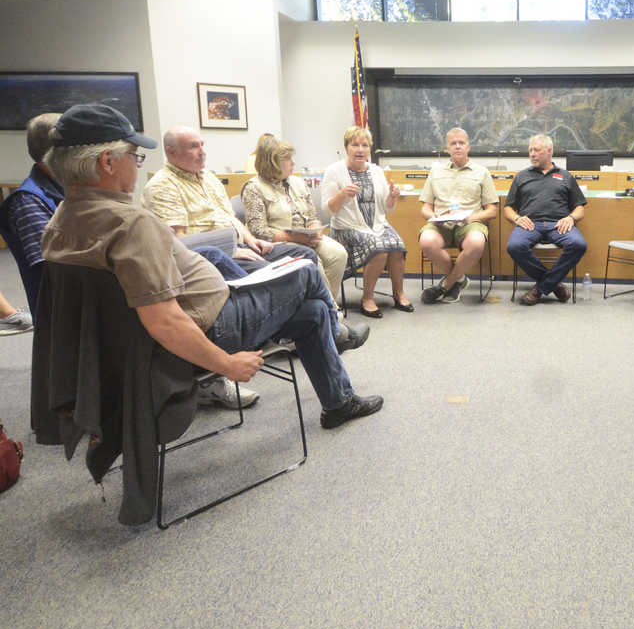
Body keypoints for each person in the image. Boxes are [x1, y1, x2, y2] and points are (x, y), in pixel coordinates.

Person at [41, 103, 382, 429]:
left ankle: (339, 402)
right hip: (213, 328)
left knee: (312, 313)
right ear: (107, 163)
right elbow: (165, 321)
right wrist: (227, 364)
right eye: (135, 155)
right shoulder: (129, 225)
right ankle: (339, 340)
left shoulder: (60, 222)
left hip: (139, 344)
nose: (138, 164)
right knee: (306, 270)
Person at [143, 125, 318, 272]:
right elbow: (179, 242)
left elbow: (230, 218)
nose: (202, 152)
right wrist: (230, 250)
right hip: (210, 258)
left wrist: (252, 240)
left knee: (306, 257)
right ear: (171, 152)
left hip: (240, 246)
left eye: (202, 145)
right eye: (193, 147)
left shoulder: (209, 178)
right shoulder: (162, 186)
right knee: (276, 271)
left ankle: (324, 311)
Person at [242, 138, 349, 304]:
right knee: (314, 263)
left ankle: (325, 307)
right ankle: (333, 313)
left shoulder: (297, 182)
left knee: (338, 254)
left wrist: (316, 230)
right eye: (288, 159)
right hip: (280, 242)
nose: (294, 162)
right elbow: (259, 231)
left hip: (307, 237)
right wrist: (296, 238)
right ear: (273, 163)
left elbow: (313, 215)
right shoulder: (253, 188)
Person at [320, 125, 412, 318]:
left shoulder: (376, 171)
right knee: (378, 249)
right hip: (346, 228)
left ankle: (399, 293)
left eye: (364, 145)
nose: (360, 149)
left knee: (397, 246)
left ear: (369, 149)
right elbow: (328, 211)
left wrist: (392, 197)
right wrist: (342, 195)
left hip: (377, 225)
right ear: (347, 148)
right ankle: (367, 298)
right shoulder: (334, 171)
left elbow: (386, 208)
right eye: (355, 145)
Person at [503, 134, 587, 306]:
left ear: (549, 151)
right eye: (530, 150)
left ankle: (540, 289)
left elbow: (580, 208)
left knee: (578, 244)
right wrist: (517, 218)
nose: (532, 154)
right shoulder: (521, 176)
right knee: (514, 247)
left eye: (537, 150)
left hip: (559, 225)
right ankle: (554, 285)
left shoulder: (565, 176)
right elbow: (508, 208)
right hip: (530, 225)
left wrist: (571, 218)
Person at [418, 127, 498, 304]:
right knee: (426, 240)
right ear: (447, 148)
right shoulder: (436, 172)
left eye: (461, 143)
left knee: (476, 243)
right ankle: (459, 279)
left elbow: (492, 210)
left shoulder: (482, 172)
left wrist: (472, 218)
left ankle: (447, 284)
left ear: (468, 146)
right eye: (453, 143)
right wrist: (432, 216)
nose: (458, 146)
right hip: (441, 224)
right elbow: (425, 208)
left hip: (470, 223)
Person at [0, 113, 63, 317]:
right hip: (60, 321)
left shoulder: (67, 187)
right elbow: (54, 272)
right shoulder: (28, 201)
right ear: (57, 151)